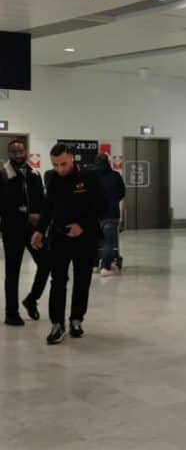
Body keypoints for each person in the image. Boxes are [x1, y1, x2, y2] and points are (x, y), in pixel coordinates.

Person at [31, 144, 104, 345]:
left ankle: (76, 320)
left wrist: (83, 226)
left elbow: (102, 206)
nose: (60, 169)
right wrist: (39, 230)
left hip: (85, 237)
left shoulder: (90, 177)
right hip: (60, 237)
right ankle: (57, 324)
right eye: (55, 165)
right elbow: (48, 207)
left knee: (82, 280)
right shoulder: (53, 178)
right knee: (58, 280)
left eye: (63, 163)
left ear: (72, 158)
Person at [1, 139, 49, 326]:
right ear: (9, 153)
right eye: (14, 151)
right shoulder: (3, 175)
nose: (18, 154)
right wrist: (24, 215)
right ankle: (11, 313)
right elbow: (3, 205)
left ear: (26, 152)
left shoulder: (33, 174)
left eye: (21, 151)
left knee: (46, 264)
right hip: (12, 230)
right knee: (12, 272)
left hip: (33, 232)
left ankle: (31, 299)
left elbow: (41, 200)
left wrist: (40, 220)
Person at [94, 153, 126, 277]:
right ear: (108, 162)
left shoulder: (92, 176)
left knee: (96, 242)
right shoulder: (115, 176)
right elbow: (122, 193)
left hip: (95, 215)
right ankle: (105, 267)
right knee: (108, 241)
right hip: (111, 214)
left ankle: (95, 265)